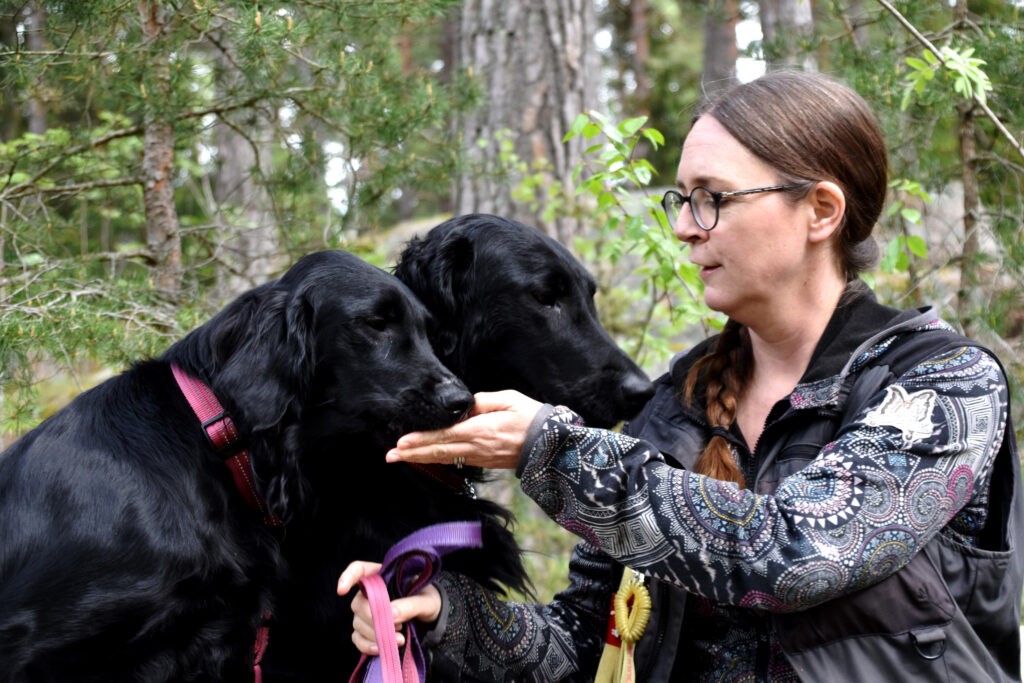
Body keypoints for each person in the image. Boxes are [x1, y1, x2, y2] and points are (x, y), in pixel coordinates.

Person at [338, 70, 1024, 682]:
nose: (687, 229)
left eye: (713, 198)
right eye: (683, 200)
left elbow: (800, 550)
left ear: (821, 210)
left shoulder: (942, 385)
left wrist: (553, 449)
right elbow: (587, 644)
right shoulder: (681, 399)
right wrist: (449, 615)